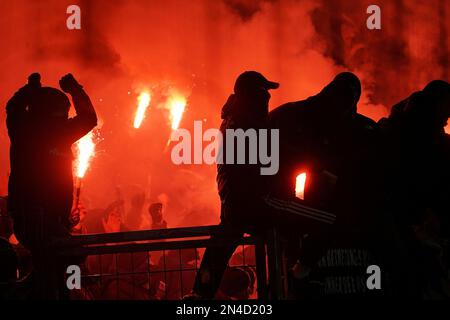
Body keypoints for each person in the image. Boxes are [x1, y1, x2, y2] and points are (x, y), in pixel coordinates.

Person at [189, 71, 336, 299]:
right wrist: (319, 170)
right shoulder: (249, 125)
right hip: (260, 202)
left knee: (225, 236)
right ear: (252, 95)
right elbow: (282, 156)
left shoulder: (233, 121)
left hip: (237, 204)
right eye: (263, 92)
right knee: (328, 219)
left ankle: (200, 294)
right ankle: (298, 277)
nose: (267, 97)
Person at [269, 72, 385, 298]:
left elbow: (376, 172)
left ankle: (301, 275)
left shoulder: (360, 127)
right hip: (328, 210)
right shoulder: (301, 117)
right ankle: (301, 275)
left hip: (343, 210)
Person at [6, 73, 97, 299]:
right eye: (61, 114)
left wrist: (30, 90)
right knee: (56, 267)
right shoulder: (26, 132)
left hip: (48, 220)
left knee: (57, 271)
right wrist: (73, 88)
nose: (65, 119)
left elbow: (13, 108)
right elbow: (88, 117)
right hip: (34, 219)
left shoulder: (38, 131)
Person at [378, 80, 450, 298]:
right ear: (436, 106)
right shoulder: (427, 141)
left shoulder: (391, 128)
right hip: (411, 228)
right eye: (447, 108)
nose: (449, 116)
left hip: (408, 226)